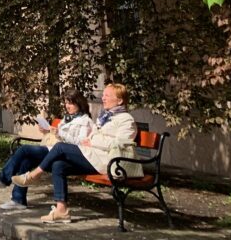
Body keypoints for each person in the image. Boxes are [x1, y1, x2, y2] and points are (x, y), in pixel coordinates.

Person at [13, 83, 141, 223]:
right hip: (94, 156)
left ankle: (33, 175)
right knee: (59, 164)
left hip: (109, 162)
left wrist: (93, 140)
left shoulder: (126, 120)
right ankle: (61, 210)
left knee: (61, 147)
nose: (103, 98)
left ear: (120, 100)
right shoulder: (106, 117)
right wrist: (91, 139)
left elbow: (121, 144)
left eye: (107, 95)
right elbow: (95, 136)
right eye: (103, 95)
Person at [0, 90, 94, 210]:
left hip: (64, 154)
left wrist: (61, 133)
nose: (67, 106)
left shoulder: (85, 121)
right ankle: (18, 200)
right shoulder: (67, 118)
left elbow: (80, 143)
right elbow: (58, 135)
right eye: (66, 103)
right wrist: (48, 131)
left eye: (70, 103)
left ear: (79, 103)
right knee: (26, 160)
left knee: (24, 149)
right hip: (54, 150)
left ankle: (3, 180)